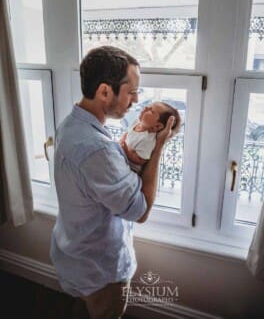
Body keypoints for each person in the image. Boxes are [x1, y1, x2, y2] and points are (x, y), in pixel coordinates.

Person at [50, 46, 178, 319]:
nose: (135, 101)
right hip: (100, 269)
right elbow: (139, 211)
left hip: (73, 251)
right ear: (105, 91)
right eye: (131, 92)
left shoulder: (70, 124)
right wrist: (158, 150)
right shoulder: (98, 149)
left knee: (82, 308)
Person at [119, 102, 181, 175]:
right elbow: (128, 133)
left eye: (151, 111)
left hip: (131, 169)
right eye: (148, 107)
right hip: (123, 158)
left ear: (157, 126)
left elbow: (140, 160)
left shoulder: (148, 140)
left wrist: (127, 152)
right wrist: (122, 140)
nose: (145, 108)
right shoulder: (137, 122)